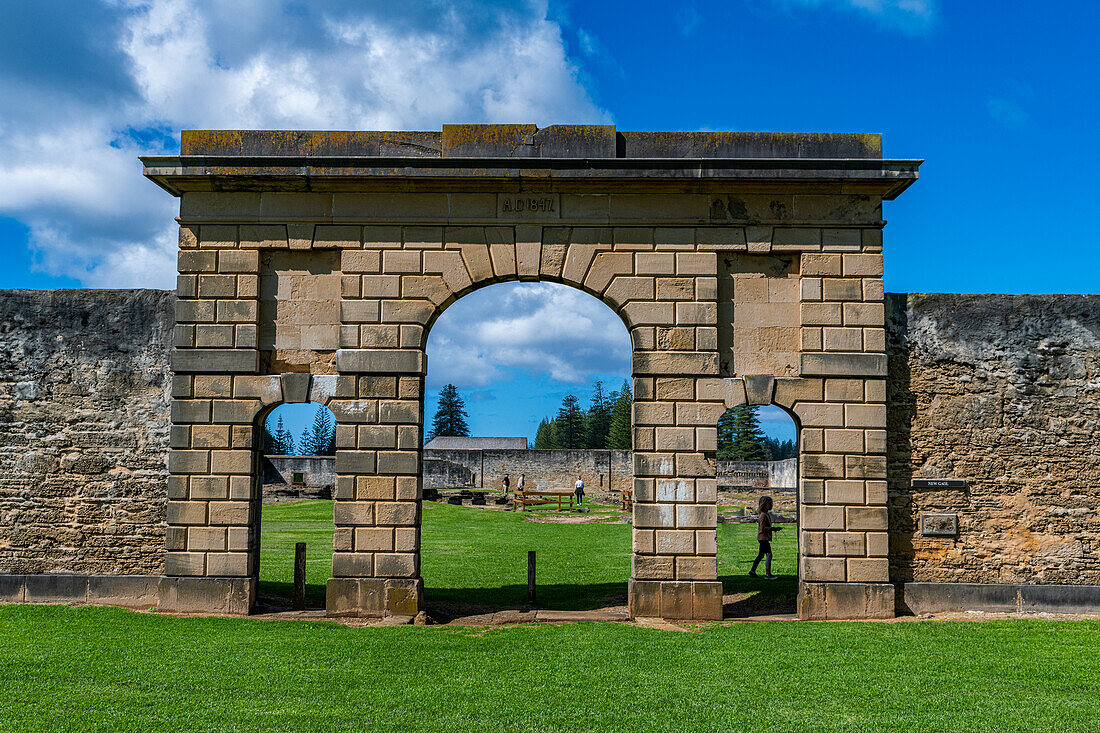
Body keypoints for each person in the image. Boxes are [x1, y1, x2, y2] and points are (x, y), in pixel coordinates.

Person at [749, 495, 782, 580]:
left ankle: (752, 572)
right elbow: (763, 528)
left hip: (762, 538)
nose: (771, 505)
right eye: (770, 504)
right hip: (763, 538)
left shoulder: (765, 514)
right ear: (765, 505)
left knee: (760, 555)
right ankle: (768, 574)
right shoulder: (763, 515)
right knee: (769, 555)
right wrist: (774, 528)